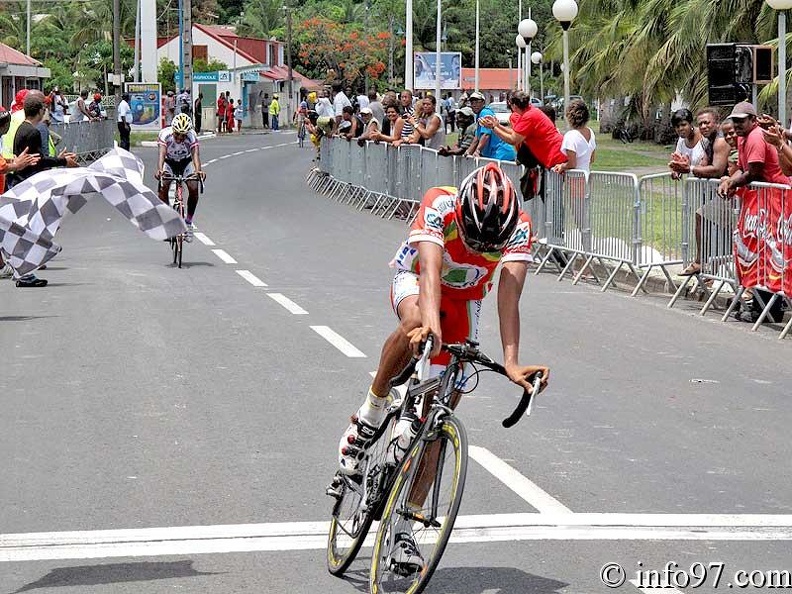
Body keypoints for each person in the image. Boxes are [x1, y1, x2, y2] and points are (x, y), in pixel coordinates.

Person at [335, 163, 550, 571]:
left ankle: (405, 529)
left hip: (465, 299)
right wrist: (431, 328)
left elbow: (509, 295)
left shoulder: (519, 226)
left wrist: (511, 361)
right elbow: (431, 271)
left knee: (437, 417)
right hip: (416, 280)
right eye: (473, 237)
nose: (481, 246)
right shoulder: (441, 203)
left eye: (491, 245)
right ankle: (371, 412)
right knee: (416, 323)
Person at [7, 92, 79, 287]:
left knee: (28, 230)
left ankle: (23, 272)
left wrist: (59, 159)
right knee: (31, 230)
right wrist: (63, 161)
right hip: (29, 185)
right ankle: (24, 273)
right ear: (40, 111)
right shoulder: (33, 132)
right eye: (44, 109)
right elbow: (38, 162)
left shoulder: (23, 129)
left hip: (21, 183)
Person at [154, 113, 206, 242]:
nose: (179, 138)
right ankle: (169, 221)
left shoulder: (192, 136)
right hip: (169, 162)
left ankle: (188, 222)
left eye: (183, 135)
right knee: (163, 188)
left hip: (185, 162)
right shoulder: (165, 134)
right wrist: (160, 170)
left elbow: (195, 155)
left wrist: (199, 171)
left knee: (194, 187)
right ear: (173, 130)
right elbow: (161, 154)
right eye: (177, 134)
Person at [465, 91, 516, 161]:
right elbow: (477, 138)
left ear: (483, 103)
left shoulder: (485, 112)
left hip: (501, 153)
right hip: (495, 154)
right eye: (472, 102)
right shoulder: (478, 115)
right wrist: (468, 152)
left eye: (477, 102)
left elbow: (486, 134)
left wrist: (478, 151)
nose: (474, 105)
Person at [552, 99, 596, 175]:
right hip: (587, 175)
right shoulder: (591, 133)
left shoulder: (571, 136)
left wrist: (562, 166)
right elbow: (591, 159)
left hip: (575, 177)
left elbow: (572, 164)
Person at [668, 108, 705, 180]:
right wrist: (675, 171)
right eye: (677, 126)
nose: (680, 128)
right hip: (691, 185)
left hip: (707, 184)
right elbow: (677, 161)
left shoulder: (704, 137)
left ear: (691, 123)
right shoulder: (681, 140)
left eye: (683, 125)